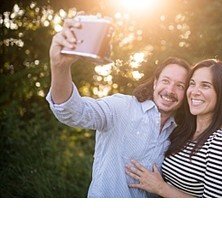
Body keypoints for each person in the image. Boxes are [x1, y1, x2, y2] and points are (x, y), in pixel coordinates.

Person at [47, 19, 191, 197]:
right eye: (166, 81)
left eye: (180, 86)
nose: (170, 90)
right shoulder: (121, 107)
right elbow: (73, 112)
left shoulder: (182, 133)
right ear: (155, 83)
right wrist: (60, 67)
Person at [126, 59, 222, 198]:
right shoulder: (184, 131)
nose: (194, 92)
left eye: (205, 86)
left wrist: (161, 188)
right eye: (192, 84)